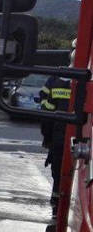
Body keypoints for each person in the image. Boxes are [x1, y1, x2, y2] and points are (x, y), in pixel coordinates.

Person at [39, 74, 71, 213]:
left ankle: (58, 209)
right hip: (84, 136)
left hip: (60, 137)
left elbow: (47, 113)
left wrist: (47, 137)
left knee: (59, 175)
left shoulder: (56, 80)